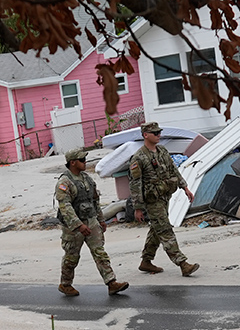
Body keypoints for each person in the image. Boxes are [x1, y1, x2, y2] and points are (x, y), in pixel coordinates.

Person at [55, 148, 129, 297]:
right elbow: (65, 207)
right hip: (73, 227)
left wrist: (101, 220)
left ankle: (111, 282)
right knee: (71, 257)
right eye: (82, 160)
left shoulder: (87, 179)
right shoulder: (64, 182)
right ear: (73, 162)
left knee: (100, 252)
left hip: (91, 220)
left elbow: (95, 201)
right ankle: (66, 284)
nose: (85, 162)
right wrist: (78, 225)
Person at [129, 122, 199, 276]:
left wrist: (185, 187)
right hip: (152, 200)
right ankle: (182, 263)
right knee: (165, 229)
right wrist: (138, 207)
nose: (158, 135)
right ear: (145, 135)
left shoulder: (162, 151)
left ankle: (146, 261)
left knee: (157, 228)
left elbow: (173, 170)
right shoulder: (139, 158)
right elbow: (135, 184)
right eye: (155, 133)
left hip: (165, 195)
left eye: (159, 132)